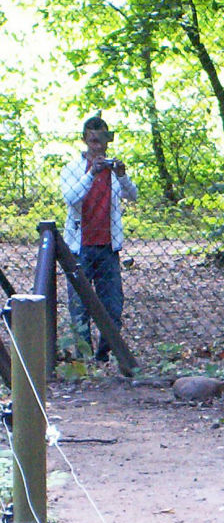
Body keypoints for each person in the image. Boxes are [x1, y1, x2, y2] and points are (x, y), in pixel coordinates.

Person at [60, 114, 137, 361]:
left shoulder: (114, 170)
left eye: (102, 140)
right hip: (79, 246)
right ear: (85, 140)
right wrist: (92, 173)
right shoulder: (72, 169)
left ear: (107, 141)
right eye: (93, 140)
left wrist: (122, 175)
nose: (98, 145)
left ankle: (104, 355)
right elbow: (71, 198)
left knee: (112, 306)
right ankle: (83, 358)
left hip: (107, 247)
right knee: (79, 307)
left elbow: (133, 195)